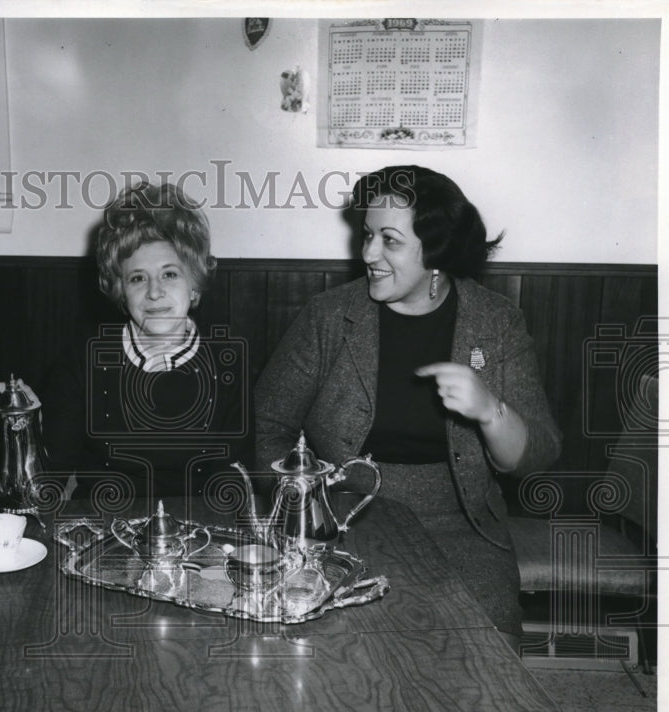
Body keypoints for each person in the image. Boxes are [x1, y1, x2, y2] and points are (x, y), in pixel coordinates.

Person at [255, 166, 561, 648]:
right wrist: (300, 509)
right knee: (340, 649)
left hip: (459, 525)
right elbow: (269, 425)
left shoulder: (495, 322)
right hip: (341, 517)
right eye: (368, 235)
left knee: (487, 648)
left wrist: (490, 411)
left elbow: (536, 455)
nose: (369, 253)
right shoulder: (329, 317)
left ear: (435, 252)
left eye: (390, 241)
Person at [41, 182, 252, 502]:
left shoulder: (228, 366)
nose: (154, 292)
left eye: (170, 274)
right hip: (102, 530)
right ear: (121, 293)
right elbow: (47, 477)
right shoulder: (81, 363)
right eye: (137, 278)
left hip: (199, 534)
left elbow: (235, 482)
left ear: (194, 286)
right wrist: (22, 432)